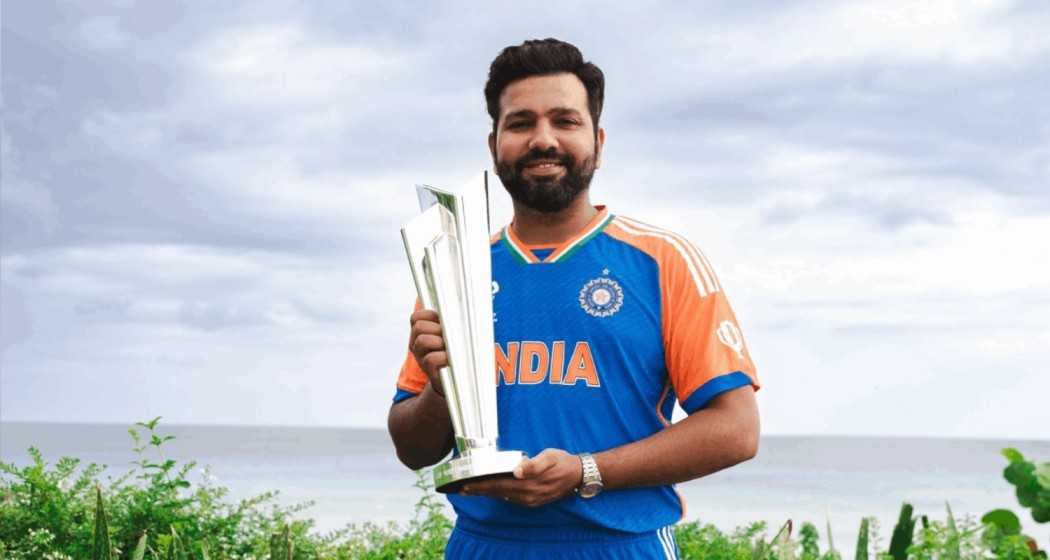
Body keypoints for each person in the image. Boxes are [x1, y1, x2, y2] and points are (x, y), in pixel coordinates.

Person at [388, 38, 761, 560]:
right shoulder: (454, 270)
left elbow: (736, 429)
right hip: (483, 546)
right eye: (521, 124)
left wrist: (586, 472)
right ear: (494, 145)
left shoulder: (664, 260)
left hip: (620, 546)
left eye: (565, 121)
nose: (544, 139)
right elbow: (412, 448)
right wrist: (439, 386)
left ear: (599, 142)